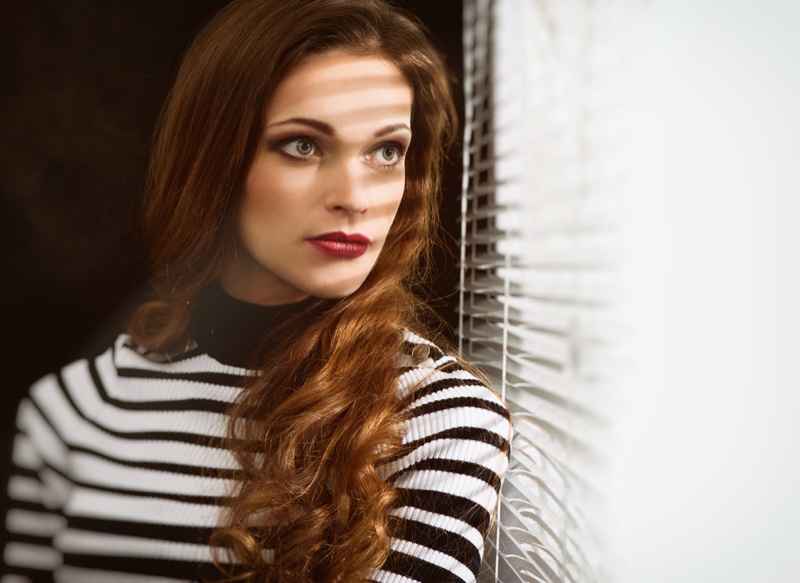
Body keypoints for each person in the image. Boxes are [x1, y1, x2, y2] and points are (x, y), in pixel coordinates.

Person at [1, 0, 512, 581]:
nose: (355, 196)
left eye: (386, 150)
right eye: (303, 145)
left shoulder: (439, 419)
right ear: (217, 158)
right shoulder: (74, 410)